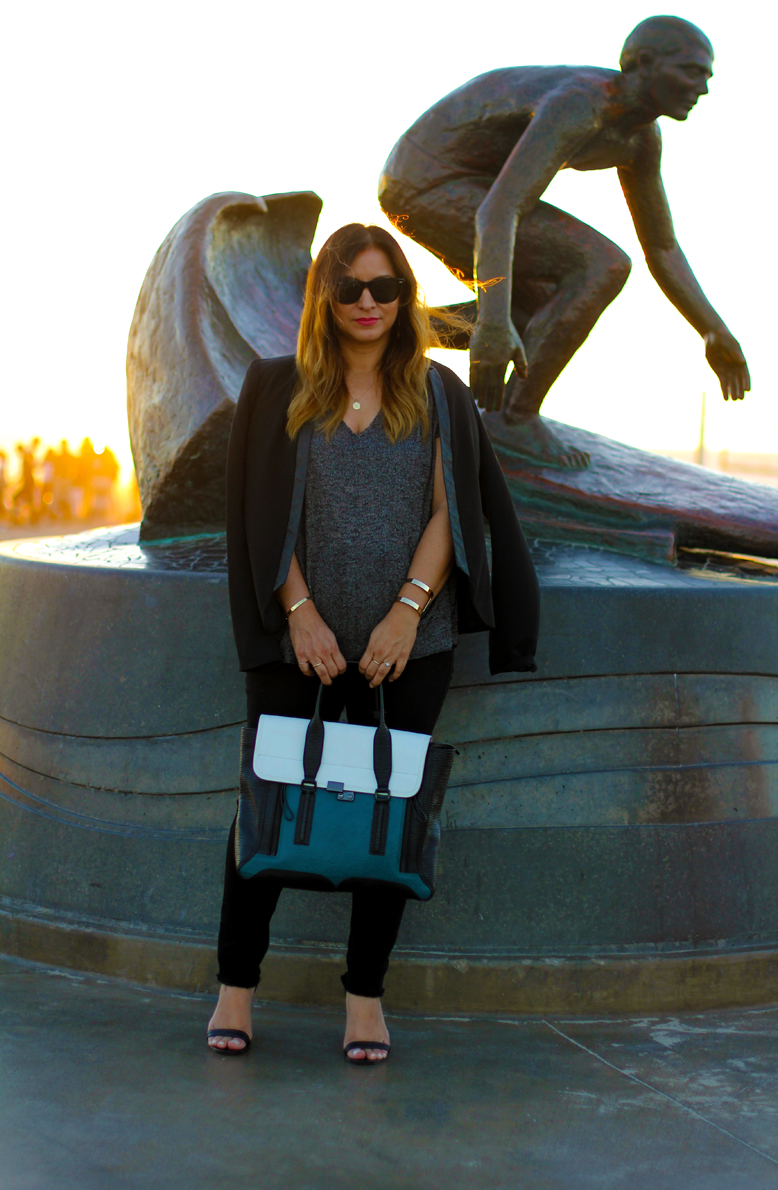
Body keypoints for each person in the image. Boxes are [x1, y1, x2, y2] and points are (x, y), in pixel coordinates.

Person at [208, 223, 540, 1061]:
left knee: (389, 820)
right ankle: (235, 988)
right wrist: (299, 613)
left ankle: (364, 1000)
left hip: (410, 646)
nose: (367, 303)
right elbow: (253, 515)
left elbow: (448, 510)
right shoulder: (275, 385)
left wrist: (407, 611)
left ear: (404, 298)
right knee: (267, 811)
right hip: (299, 646)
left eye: (384, 287)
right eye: (350, 287)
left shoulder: (434, 391)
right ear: (323, 293)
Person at [379, 15, 750, 468]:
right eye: (692, 72)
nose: (703, 88)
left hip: (467, 185)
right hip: (426, 178)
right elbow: (499, 210)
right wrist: (493, 322)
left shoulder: (640, 139)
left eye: (707, 76)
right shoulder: (583, 104)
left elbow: (663, 248)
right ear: (645, 63)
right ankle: (513, 419)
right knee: (602, 264)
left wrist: (713, 329)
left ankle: (393, 328)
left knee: (545, 313)